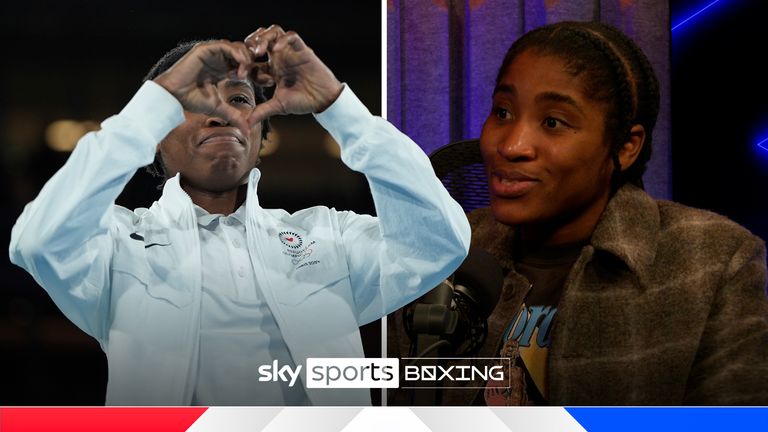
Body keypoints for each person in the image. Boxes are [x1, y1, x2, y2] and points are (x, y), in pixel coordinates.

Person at [9, 25, 470, 406]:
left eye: (241, 100)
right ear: (155, 136)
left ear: (260, 134)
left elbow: (440, 242)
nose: (221, 115)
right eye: (192, 104)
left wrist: (338, 106)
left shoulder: (329, 236)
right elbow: (37, 241)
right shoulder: (118, 244)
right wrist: (154, 102)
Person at [392, 21, 768, 405]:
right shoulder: (442, 251)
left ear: (625, 147)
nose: (512, 145)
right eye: (503, 113)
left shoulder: (716, 260)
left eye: (553, 122)